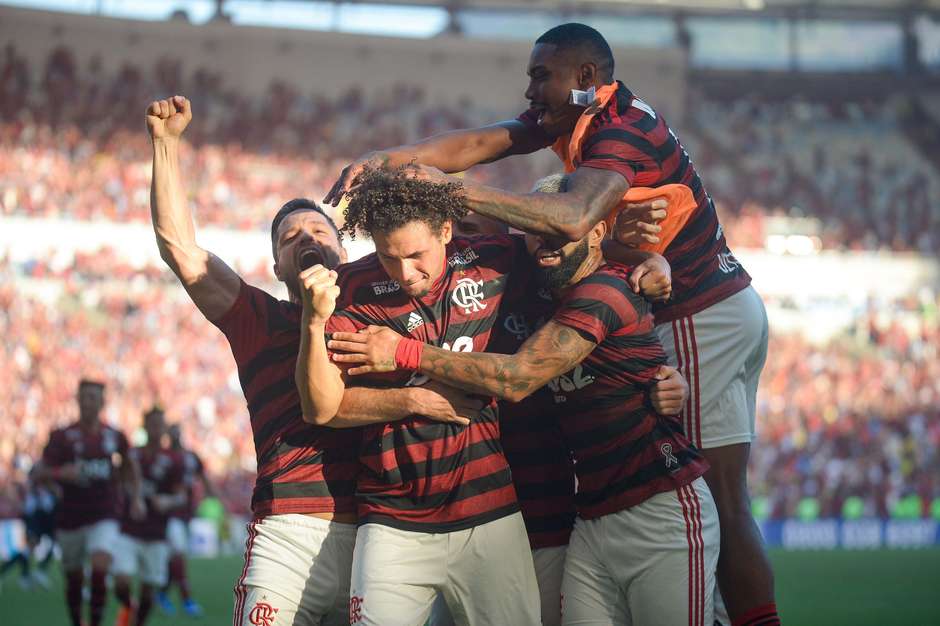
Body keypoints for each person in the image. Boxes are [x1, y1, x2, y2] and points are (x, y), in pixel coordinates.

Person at [327, 22, 775, 626]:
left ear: (585, 78)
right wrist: (390, 161)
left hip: (699, 308)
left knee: (712, 489)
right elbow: (484, 144)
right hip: (690, 309)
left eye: (543, 74)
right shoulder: (577, 121)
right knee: (716, 487)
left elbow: (568, 217)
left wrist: (455, 197)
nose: (531, 87)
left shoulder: (621, 130)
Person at [327, 179, 718, 625]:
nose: (546, 245)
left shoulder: (605, 289)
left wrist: (403, 351)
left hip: (603, 506)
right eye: (537, 232)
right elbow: (324, 405)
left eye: (559, 231)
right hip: (577, 515)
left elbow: (517, 378)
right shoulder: (518, 271)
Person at [147, 96, 475, 626]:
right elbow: (181, 250)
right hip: (287, 530)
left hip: (381, 531)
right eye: (290, 238)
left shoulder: (383, 310)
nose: (307, 239)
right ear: (277, 266)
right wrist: (165, 145)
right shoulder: (258, 320)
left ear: (345, 255)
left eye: (320, 232)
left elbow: (453, 243)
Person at [33, 379, 143, 626]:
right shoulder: (62, 436)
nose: (87, 402)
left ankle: (94, 622)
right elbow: (39, 473)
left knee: (99, 567)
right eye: (83, 396)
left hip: (104, 514)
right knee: (73, 580)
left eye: (93, 397)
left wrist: (135, 497)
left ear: (102, 402)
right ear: (77, 400)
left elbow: (130, 466)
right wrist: (62, 474)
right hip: (69, 516)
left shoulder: (114, 436)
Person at [113, 407, 187, 626]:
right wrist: (131, 495)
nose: (156, 429)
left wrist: (168, 501)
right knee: (121, 582)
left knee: (149, 590)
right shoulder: (132, 455)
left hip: (156, 532)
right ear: (144, 426)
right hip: (129, 528)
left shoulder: (173, 460)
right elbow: (118, 481)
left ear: (164, 428)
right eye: (152, 424)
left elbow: (182, 495)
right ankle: (129, 605)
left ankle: (137, 622)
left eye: (159, 424)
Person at [156, 423, 213, 618]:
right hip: (168, 514)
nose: (175, 436)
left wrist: (215, 498)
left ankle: (161, 594)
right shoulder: (162, 457)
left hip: (186, 513)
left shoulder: (190, 456)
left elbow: (204, 478)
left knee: (176, 557)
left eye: (177, 432)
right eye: (172, 432)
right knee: (178, 553)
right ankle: (187, 600)